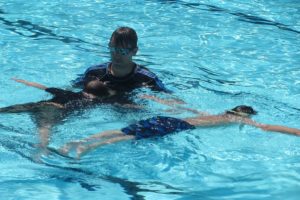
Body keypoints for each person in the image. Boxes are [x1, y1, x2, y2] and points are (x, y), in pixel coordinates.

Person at [56, 105, 300, 159]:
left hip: (168, 118)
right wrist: (296, 132)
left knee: (125, 129)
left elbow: (181, 106)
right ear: (245, 116)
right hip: (177, 125)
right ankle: (86, 149)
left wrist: (150, 97)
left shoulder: (211, 112)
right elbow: (268, 128)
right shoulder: (238, 120)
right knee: (131, 136)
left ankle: (81, 139)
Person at [0, 78, 117, 156]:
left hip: (39, 104)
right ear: (98, 96)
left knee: (8, 110)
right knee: (45, 126)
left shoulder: (65, 92)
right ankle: (42, 148)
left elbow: (42, 87)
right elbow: (114, 102)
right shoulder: (91, 101)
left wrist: (24, 82)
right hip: (53, 110)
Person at [72, 26, 170, 93]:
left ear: (134, 51)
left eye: (122, 51)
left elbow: (170, 99)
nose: (116, 55)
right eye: (113, 49)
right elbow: (72, 89)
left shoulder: (147, 79)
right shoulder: (94, 73)